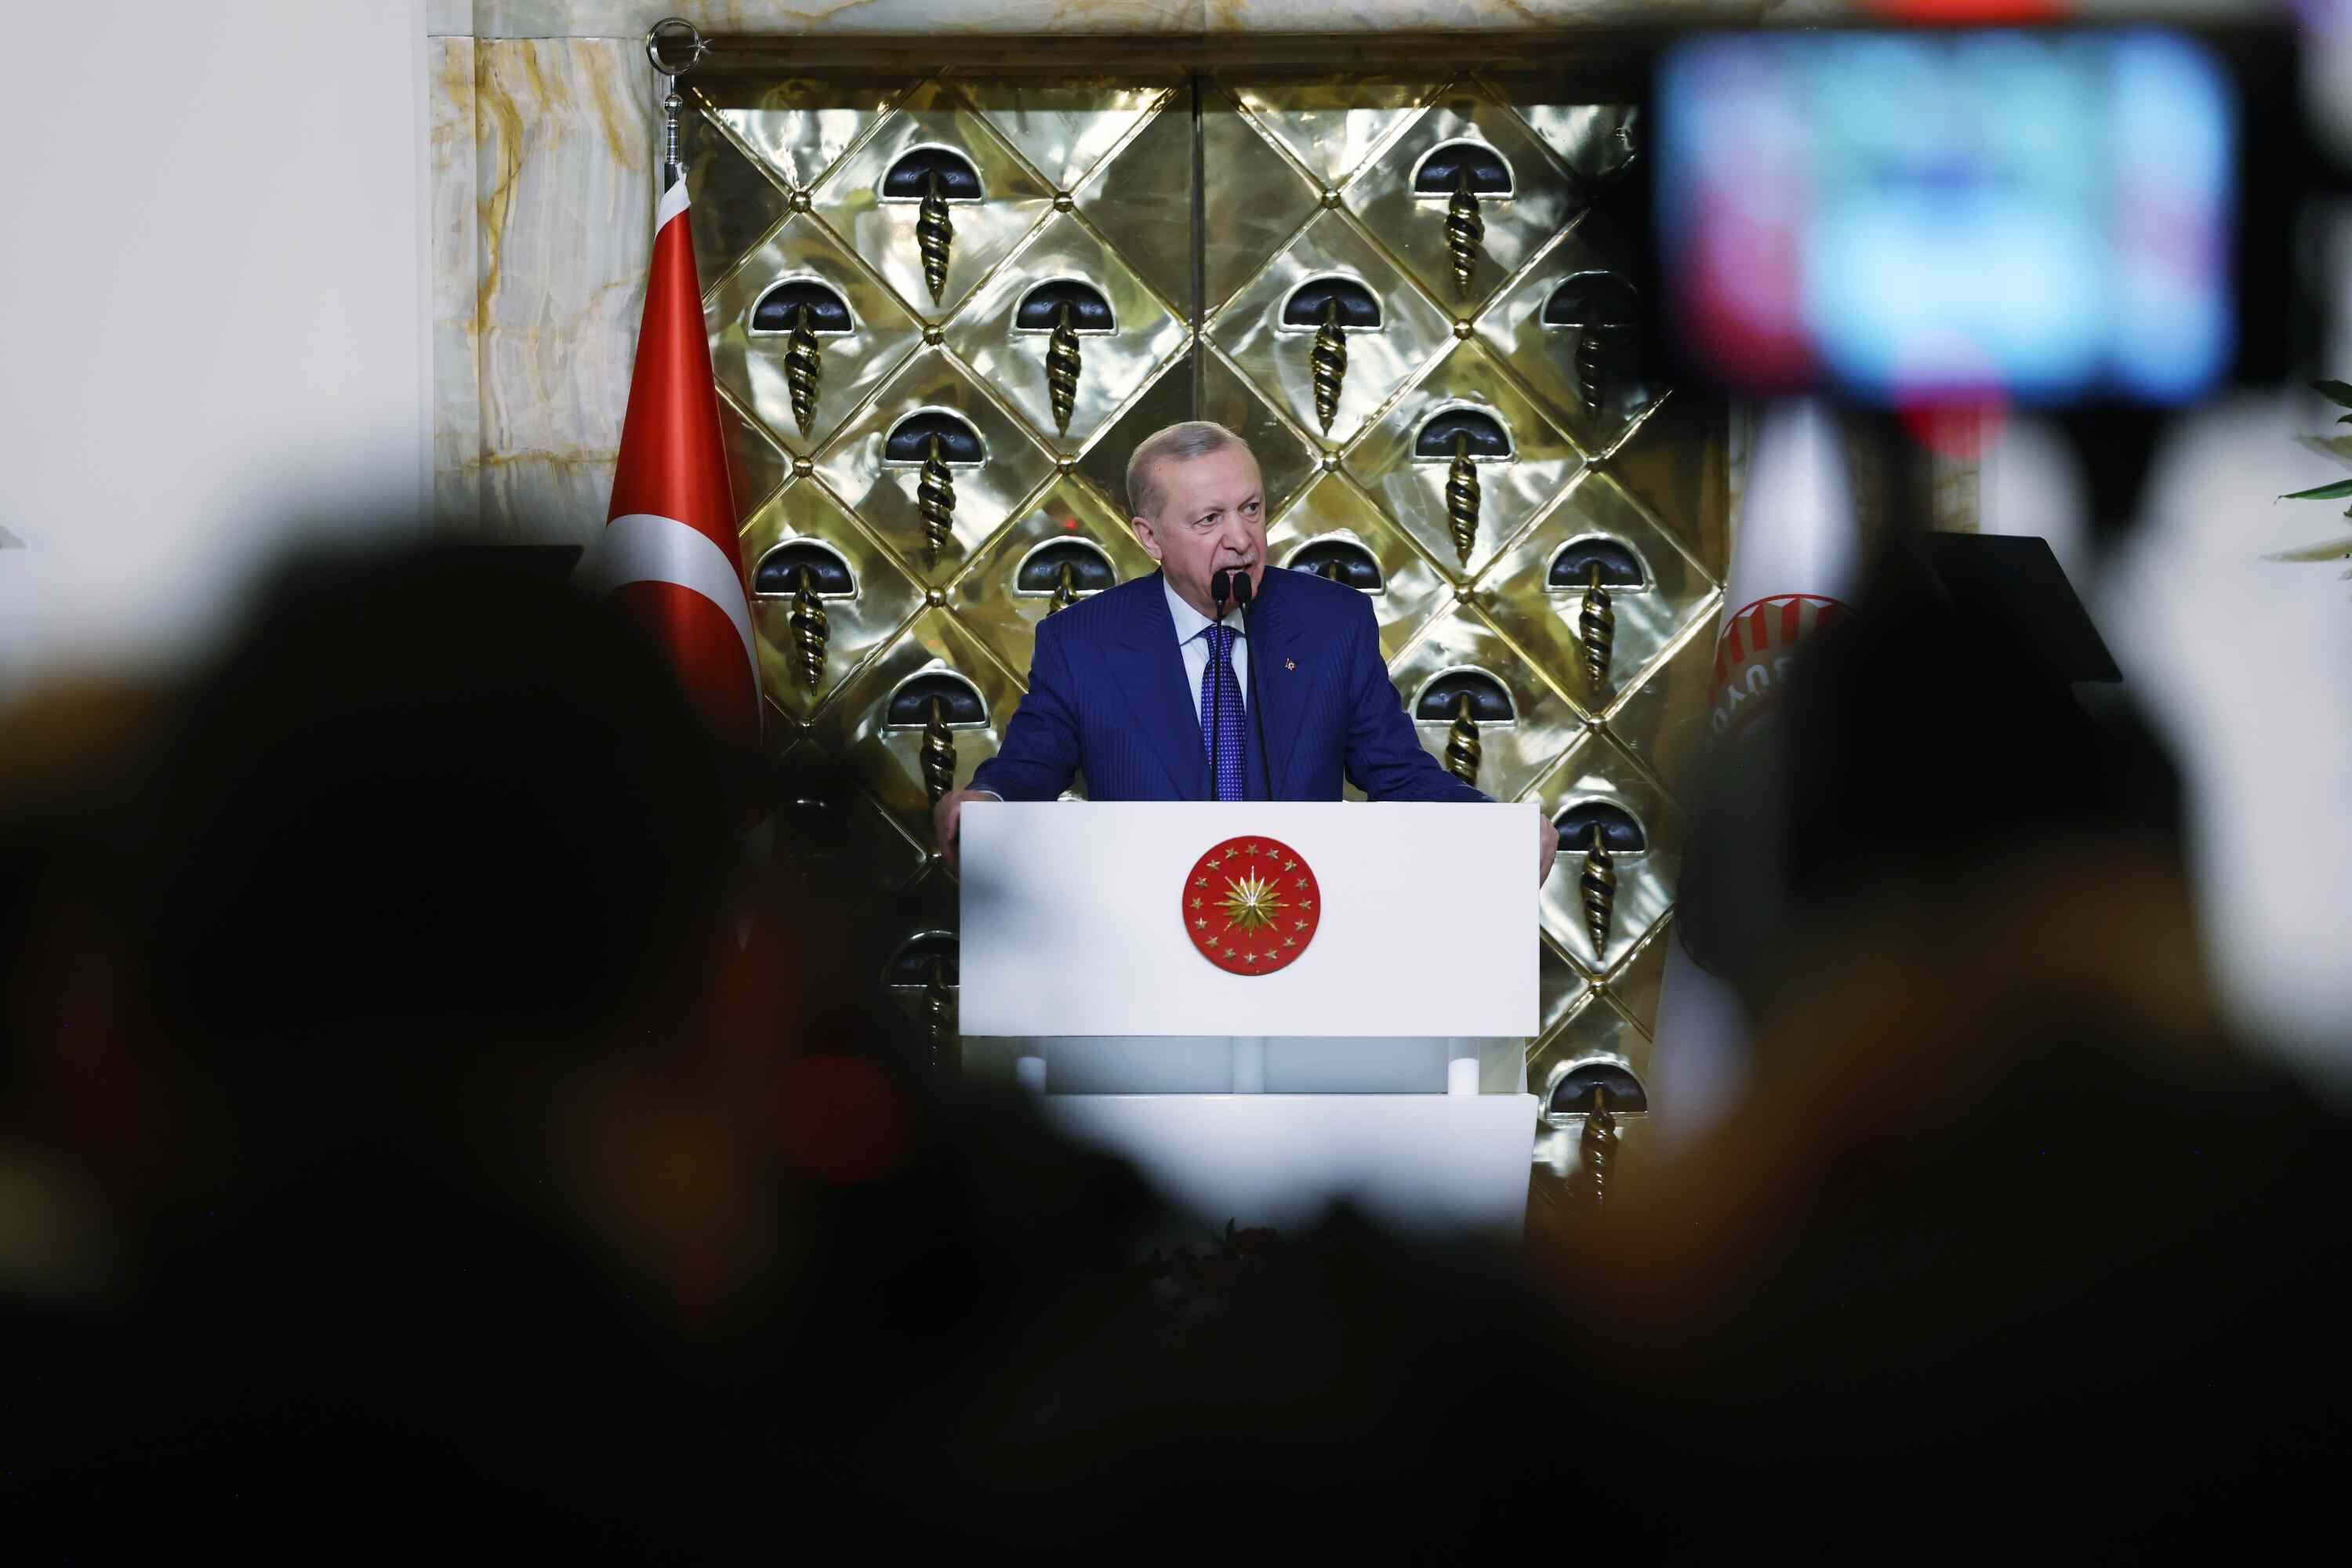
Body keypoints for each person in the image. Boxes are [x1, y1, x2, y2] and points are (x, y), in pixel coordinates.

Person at [934, 421, 1559, 880]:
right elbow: (1027, 771)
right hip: (1143, 943)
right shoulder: (1082, 642)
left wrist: (1494, 828)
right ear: (1150, 538)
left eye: (1252, 509)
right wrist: (984, 807)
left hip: (1303, 933)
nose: (1242, 539)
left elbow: (1398, 774)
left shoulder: (1331, 624)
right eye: (1209, 520)